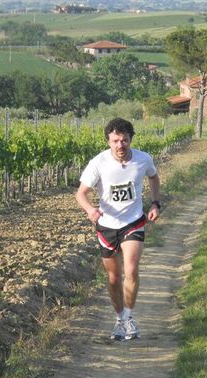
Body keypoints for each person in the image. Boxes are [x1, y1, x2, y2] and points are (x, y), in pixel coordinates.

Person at [75, 117, 161, 341]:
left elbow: (153, 177)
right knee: (113, 277)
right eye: (115, 141)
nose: (120, 145)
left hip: (133, 221)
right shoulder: (99, 162)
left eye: (124, 140)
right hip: (107, 226)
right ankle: (120, 318)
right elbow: (81, 193)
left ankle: (130, 318)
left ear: (131, 139)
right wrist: (90, 210)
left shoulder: (143, 159)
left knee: (131, 269)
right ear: (108, 141)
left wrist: (155, 202)